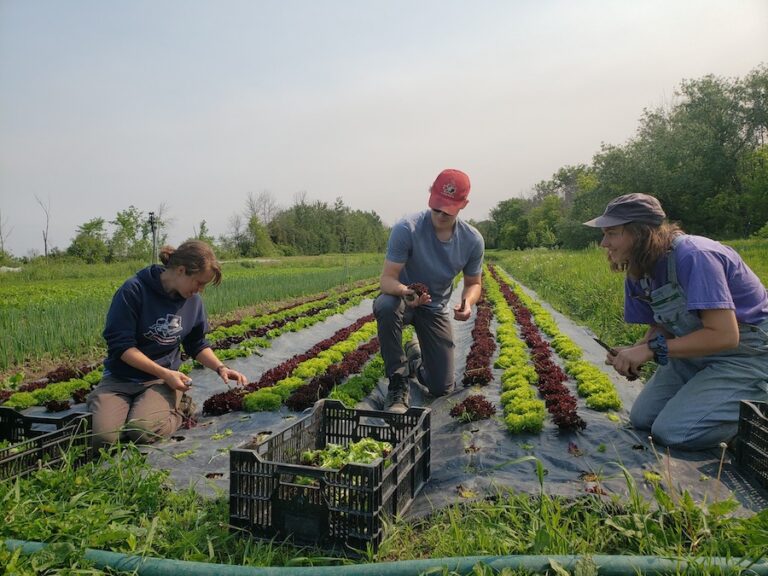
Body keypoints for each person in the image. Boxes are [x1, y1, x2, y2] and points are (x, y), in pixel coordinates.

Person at [584, 193, 768, 450]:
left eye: (612, 233)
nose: (604, 243)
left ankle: (752, 415)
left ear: (640, 233)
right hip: (695, 356)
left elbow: (725, 336)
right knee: (642, 418)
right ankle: (712, 401)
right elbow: (663, 325)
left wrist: (650, 350)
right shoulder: (640, 271)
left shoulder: (695, 256)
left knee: (673, 433)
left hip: (746, 357)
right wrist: (632, 351)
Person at [87, 240, 247, 448]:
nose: (199, 290)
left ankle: (181, 408)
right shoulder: (133, 290)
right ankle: (112, 404)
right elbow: (122, 347)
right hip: (120, 378)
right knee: (103, 438)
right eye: (199, 283)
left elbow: (196, 343)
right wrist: (164, 373)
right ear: (181, 270)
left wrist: (220, 367)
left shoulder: (193, 302)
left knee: (141, 431)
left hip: (161, 382)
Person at [374, 169, 485, 413]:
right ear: (430, 195)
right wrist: (406, 292)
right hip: (403, 299)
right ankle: (397, 380)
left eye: (448, 210)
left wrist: (468, 303)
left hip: (434, 308)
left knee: (441, 388)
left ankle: (416, 360)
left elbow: (473, 283)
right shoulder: (407, 228)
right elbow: (387, 280)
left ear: (463, 205)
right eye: (436, 207)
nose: (441, 214)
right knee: (385, 305)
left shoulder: (472, 240)